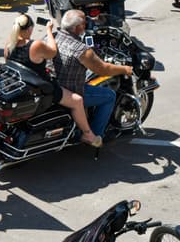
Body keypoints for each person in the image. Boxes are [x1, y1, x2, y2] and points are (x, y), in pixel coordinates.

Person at [28, 9, 132, 148]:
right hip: (72, 90)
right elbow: (102, 69)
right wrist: (124, 69)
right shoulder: (81, 50)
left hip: (53, 86)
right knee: (109, 96)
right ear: (78, 28)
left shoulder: (51, 37)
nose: (87, 23)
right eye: (84, 22)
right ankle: (95, 135)